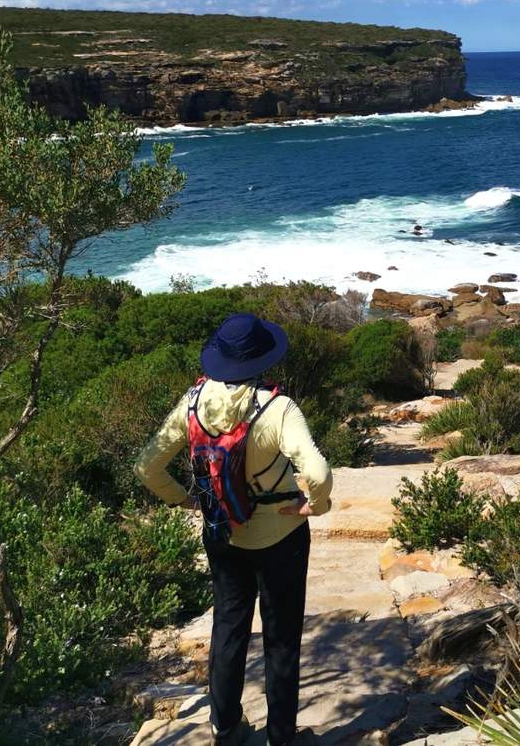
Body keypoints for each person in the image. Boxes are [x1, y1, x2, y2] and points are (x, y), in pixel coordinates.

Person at [135, 313, 332, 746]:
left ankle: (225, 729)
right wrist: (314, 506)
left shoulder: (193, 400)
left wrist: (182, 499)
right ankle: (282, 738)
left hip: (222, 532)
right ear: (262, 359)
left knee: (228, 628)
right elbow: (316, 470)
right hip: (281, 536)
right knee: (281, 640)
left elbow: (147, 465)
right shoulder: (278, 408)